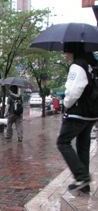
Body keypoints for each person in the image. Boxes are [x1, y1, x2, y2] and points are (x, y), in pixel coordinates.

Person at [57, 44, 98, 194]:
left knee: (62, 142)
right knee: (83, 147)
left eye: (66, 52)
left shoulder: (77, 66)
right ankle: (84, 186)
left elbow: (74, 92)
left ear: (73, 51)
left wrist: (66, 103)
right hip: (91, 114)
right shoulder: (92, 65)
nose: (65, 55)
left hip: (77, 113)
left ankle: (81, 176)